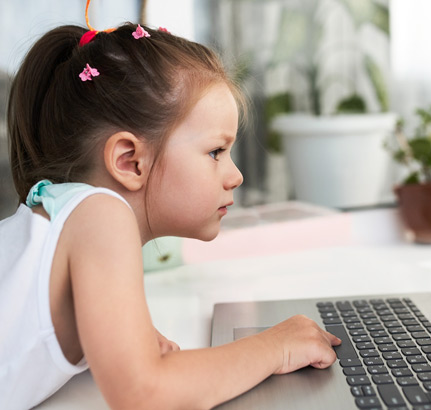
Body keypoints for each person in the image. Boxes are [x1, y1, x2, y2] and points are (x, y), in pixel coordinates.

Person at [0, 11, 340, 410]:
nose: (236, 176)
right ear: (129, 161)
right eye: (216, 151)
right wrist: (275, 347)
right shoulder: (99, 215)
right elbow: (144, 394)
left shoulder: (63, 213)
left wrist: (125, 339)